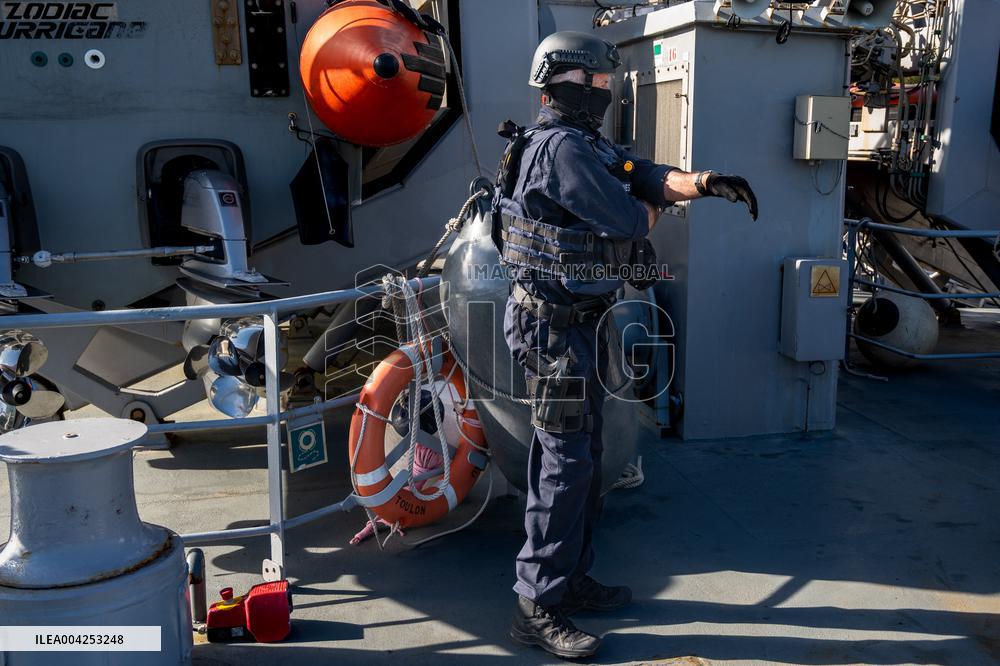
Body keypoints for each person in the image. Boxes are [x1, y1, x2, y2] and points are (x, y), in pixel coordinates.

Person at [491, 31, 759, 659]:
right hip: (551, 328)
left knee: (585, 454)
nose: (609, 93)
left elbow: (638, 171)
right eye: (601, 84)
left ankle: (570, 578)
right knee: (563, 465)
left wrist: (704, 181)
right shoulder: (561, 150)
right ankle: (536, 604)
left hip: (576, 321)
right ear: (568, 83)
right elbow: (631, 217)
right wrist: (646, 202)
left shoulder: (581, 143)